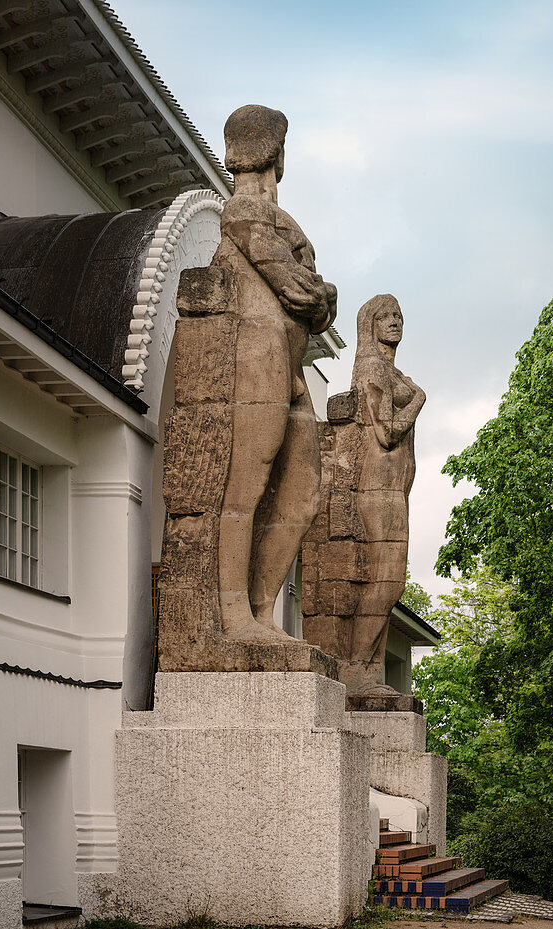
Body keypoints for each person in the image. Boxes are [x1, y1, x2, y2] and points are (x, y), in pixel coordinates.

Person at [211, 105, 337, 642]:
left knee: (305, 489)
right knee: (246, 484)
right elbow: (301, 289)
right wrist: (321, 293)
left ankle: (262, 613)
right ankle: (235, 615)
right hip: (255, 352)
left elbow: (311, 299)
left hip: (287, 364)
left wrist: (318, 297)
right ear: (278, 155)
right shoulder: (241, 211)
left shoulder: (280, 221)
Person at [347, 294, 426, 694]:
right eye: (386, 316)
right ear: (370, 325)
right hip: (378, 487)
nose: (395, 321)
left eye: (399, 315)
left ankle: (371, 670)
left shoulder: (390, 370)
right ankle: (358, 669)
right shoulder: (373, 367)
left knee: (390, 582)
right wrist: (417, 399)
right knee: (387, 580)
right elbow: (387, 431)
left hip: (395, 488)